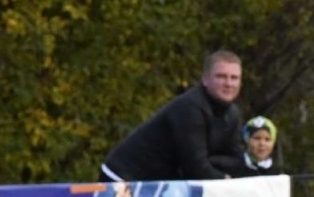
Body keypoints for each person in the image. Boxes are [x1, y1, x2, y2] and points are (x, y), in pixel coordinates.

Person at [100, 51, 243, 183]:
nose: (228, 84)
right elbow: (195, 169)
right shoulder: (190, 108)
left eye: (234, 78)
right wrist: (225, 179)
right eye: (221, 76)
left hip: (159, 183)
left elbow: (237, 160)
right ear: (205, 80)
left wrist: (213, 164)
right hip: (123, 177)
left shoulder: (233, 113)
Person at [213, 116, 282, 178]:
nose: (262, 144)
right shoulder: (234, 165)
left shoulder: (277, 173)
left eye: (267, 139)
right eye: (257, 138)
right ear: (247, 140)